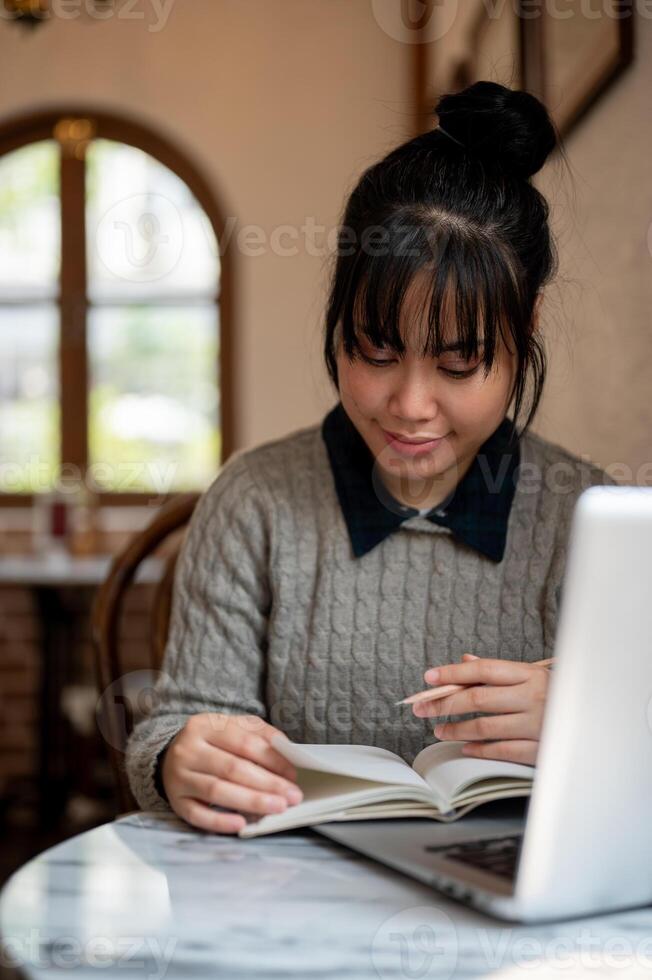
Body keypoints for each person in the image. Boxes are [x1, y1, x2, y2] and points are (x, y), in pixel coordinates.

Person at [125, 81, 615, 835]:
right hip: (293, 912)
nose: (410, 405)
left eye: (459, 365)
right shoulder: (255, 502)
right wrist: (178, 758)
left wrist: (604, 720)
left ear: (529, 324)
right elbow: (181, 722)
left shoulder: (593, 520)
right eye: (375, 351)